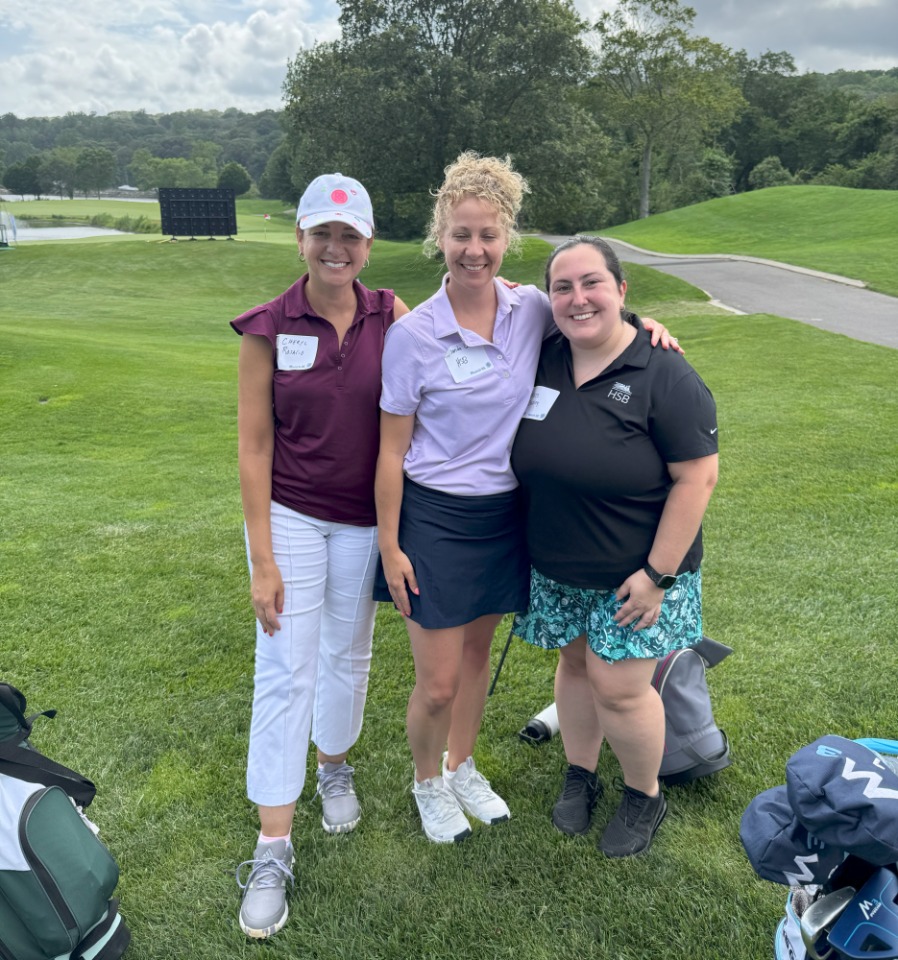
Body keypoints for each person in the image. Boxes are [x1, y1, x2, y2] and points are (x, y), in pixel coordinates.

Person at [373, 154, 679, 844]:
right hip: (435, 519)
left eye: (487, 235)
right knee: (439, 682)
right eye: (460, 235)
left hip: (507, 517)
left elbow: (595, 315)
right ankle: (428, 782)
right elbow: (391, 450)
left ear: (506, 237)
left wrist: (648, 325)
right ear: (439, 237)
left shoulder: (531, 309)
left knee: (478, 659)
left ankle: (463, 764)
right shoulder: (412, 335)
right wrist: (390, 546)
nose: (474, 250)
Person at [231, 173, 408, 938]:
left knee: (349, 653)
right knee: (284, 667)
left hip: (365, 522)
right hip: (292, 518)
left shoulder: (392, 313)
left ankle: (333, 763)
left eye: (349, 236)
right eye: (321, 234)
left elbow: (494, 319)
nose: (335, 249)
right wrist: (262, 559)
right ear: (299, 239)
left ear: (367, 244)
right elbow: (253, 444)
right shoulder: (269, 325)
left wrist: (635, 321)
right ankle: (274, 844)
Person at [510, 236, 719, 858]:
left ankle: (642, 792)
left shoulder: (665, 373)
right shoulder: (544, 352)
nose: (578, 299)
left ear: (622, 290)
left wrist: (657, 573)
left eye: (592, 283)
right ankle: (580, 771)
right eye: (563, 287)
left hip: (641, 572)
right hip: (559, 564)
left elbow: (697, 477)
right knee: (575, 667)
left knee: (620, 686)